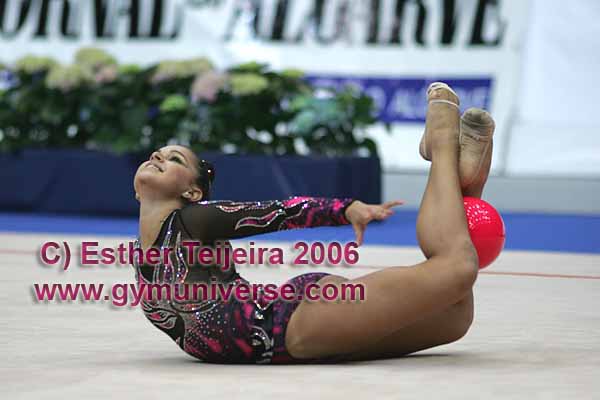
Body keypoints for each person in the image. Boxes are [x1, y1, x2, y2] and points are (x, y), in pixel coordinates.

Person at [132, 82, 495, 363]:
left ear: (193, 192)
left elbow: (280, 211)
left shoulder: (194, 221)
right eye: (157, 153)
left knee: (458, 270)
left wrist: (343, 209)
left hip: (301, 319)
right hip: (297, 341)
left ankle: (442, 142)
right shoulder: (142, 251)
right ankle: (463, 179)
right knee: (455, 318)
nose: (158, 157)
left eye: (174, 159)